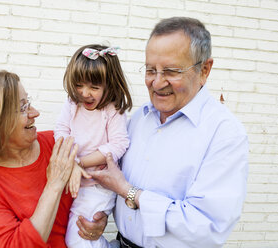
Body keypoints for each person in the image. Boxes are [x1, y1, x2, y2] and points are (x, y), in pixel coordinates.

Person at [88, 17, 249, 248]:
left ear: (204, 70)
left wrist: (129, 192)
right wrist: (101, 215)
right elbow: (115, 183)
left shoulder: (224, 134)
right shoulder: (139, 119)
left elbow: (207, 227)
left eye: (171, 71)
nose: (157, 82)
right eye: (151, 70)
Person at [0, 71, 107, 248]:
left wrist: (98, 219)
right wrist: (54, 184)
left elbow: (98, 187)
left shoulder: (57, 144)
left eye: (28, 102)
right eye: (22, 108)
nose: (35, 113)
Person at [54, 44, 132, 248]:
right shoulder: (72, 103)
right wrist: (71, 163)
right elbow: (61, 131)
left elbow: (118, 144)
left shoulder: (112, 109)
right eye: (79, 85)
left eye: (94, 88)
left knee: (79, 236)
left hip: (99, 185)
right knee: (78, 234)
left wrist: (79, 163)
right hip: (75, 182)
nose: (85, 93)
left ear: (110, 85)